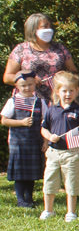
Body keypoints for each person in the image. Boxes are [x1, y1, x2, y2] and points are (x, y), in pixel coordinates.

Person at [39, 71, 79, 221]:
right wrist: (49, 136)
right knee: (49, 181)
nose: (68, 94)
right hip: (54, 152)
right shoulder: (52, 110)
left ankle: (71, 212)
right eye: (64, 91)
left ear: (76, 91)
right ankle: (48, 210)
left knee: (72, 183)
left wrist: (75, 135)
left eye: (71, 91)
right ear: (57, 91)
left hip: (72, 153)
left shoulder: (78, 111)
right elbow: (43, 128)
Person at [3, 13, 79, 104]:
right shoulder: (21, 49)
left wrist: (65, 76)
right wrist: (29, 79)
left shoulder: (60, 48)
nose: (49, 29)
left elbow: (74, 72)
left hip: (57, 102)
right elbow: (7, 77)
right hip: (29, 102)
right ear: (33, 29)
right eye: (45, 26)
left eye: (50, 26)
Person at [1, 72, 46, 207]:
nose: (27, 88)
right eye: (23, 85)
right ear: (17, 86)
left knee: (31, 172)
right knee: (20, 172)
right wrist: (21, 122)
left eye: (30, 85)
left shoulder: (40, 102)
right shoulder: (12, 101)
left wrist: (45, 141)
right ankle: (21, 199)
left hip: (35, 141)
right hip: (18, 142)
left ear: (35, 84)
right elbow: (4, 120)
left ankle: (29, 197)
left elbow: (45, 122)